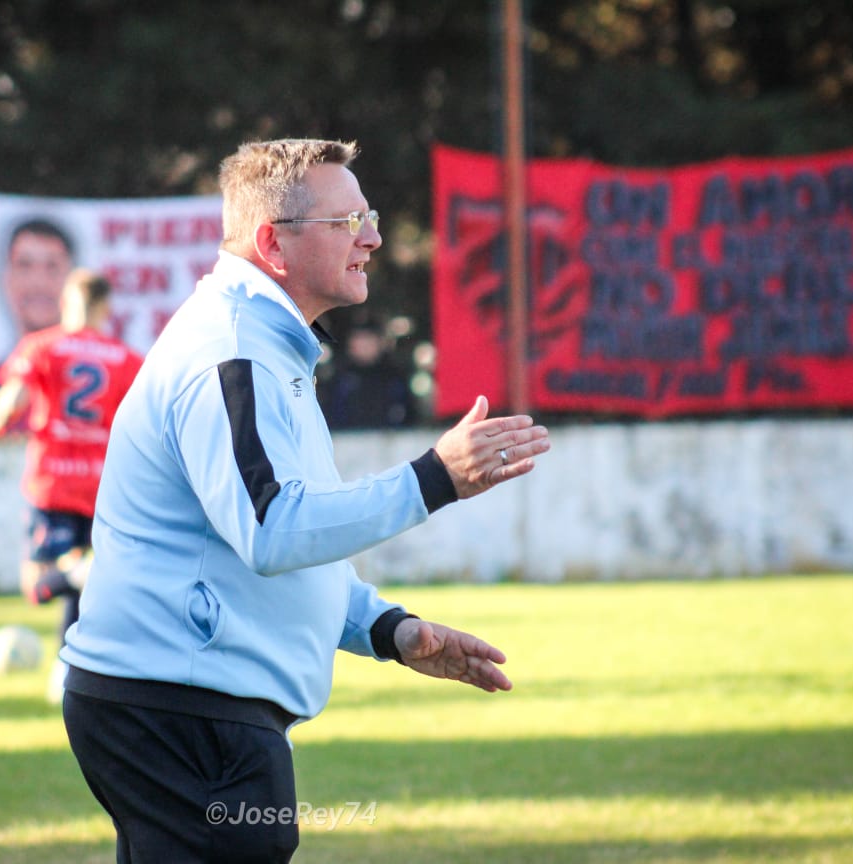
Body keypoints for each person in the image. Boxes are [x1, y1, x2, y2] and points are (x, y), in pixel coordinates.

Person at [59, 138, 551, 862]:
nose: (374, 238)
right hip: (181, 707)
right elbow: (275, 531)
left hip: (183, 705)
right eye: (348, 222)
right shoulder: (233, 352)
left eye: (369, 216)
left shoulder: (266, 345)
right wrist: (433, 478)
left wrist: (389, 630)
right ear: (273, 244)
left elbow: (282, 539)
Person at [0, 269, 142, 702]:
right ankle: (66, 667)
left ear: (66, 302)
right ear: (105, 308)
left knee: (40, 582)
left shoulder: (42, 347)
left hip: (53, 482)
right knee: (92, 585)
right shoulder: (124, 357)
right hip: (105, 484)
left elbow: (14, 396)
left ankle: (76, 580)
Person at [320, 318, 415, 428]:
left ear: (380, 342)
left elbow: (408, 415)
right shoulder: (338, 379)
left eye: (368, 339)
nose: (363, 345)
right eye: (359, 339)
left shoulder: (394, 377)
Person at [2, 218, 75, 346]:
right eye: (25, 265)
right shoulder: (2, 366)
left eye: (52, 267)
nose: (39, 283)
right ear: (6, 278)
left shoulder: (93, 364)